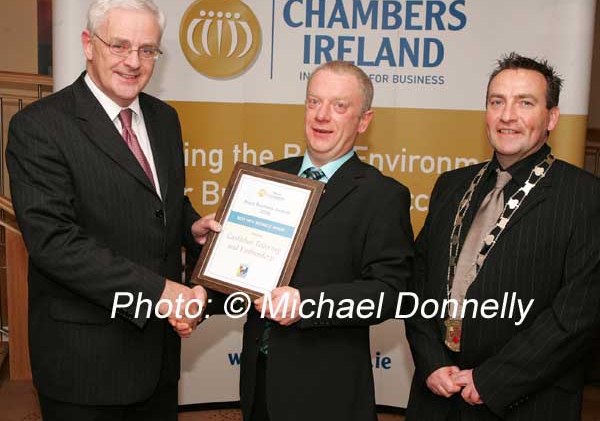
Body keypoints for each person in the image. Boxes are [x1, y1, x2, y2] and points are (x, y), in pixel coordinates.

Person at [6, 0, 217, 421]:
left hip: (156, 356)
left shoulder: (164, 118)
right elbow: (55, 243)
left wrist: (189, 226)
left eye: (146, 49)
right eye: (118, 45)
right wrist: (161, 293)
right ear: (88, 44)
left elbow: (160, 200)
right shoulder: (40, 126)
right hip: (85, 362)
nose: (133, 61)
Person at [178, 60, 414, 420]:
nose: (321, 116)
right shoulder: (269, 177)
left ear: (364, 120)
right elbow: (241, 271)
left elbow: (389, 293)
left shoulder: (382, 196)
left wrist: (307, 303)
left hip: (327, 392)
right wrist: (203, 296)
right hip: (259, 383)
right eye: (313, 102)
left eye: (339, 106)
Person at [405, 52, 600, 421]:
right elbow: (416, 281)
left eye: (525, 103)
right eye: (497, 102)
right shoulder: (451, 186)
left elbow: (576, 315)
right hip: (437, 397)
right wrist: (430, 361)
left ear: (551, 118)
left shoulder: (585, 197)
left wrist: (494, 379)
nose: (507, 116)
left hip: (525, 402)